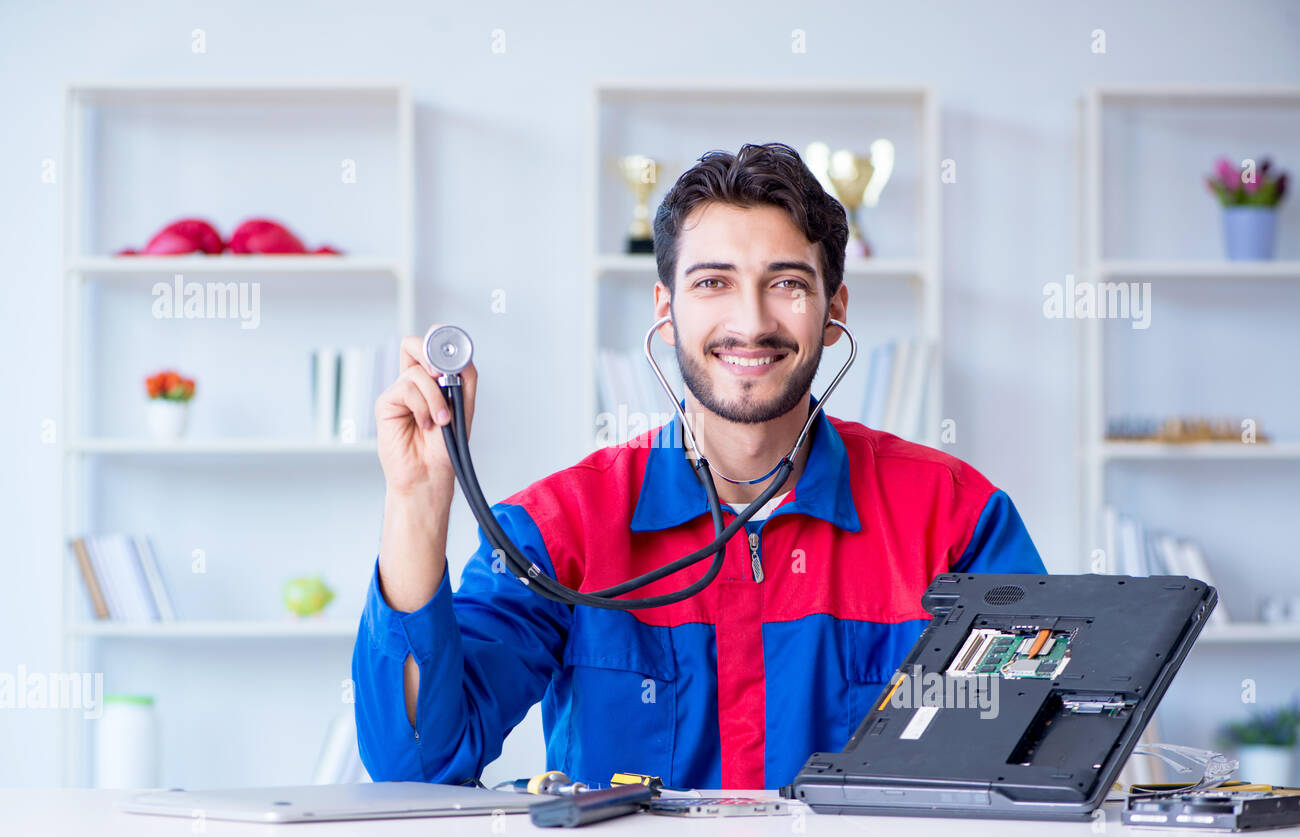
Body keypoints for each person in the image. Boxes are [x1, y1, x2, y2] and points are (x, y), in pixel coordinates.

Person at [352, 142, 1046, 790]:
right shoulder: (555, 529)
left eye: (787, 283)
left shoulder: (956, 518)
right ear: (667, 308)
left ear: (833, 310)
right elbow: (419, 762)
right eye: (714, 281)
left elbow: (1034, 752)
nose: (751, 321)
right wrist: (416, 500)